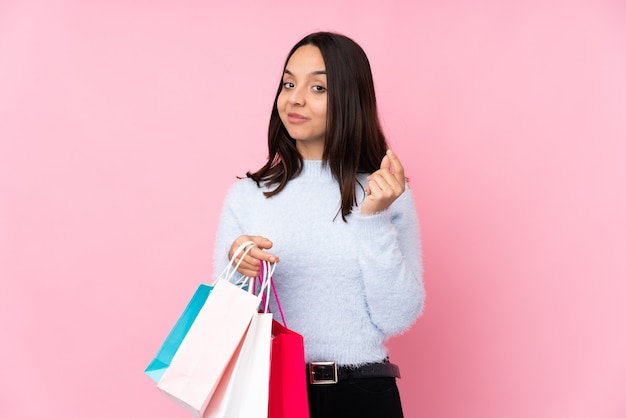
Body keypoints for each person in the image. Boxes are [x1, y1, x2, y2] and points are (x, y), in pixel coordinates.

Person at [213, 31, 424, 418]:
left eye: (317, 88)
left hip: (363, 395)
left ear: (349, 98)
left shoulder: (385, 190)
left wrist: (374, 219)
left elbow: (398, 316)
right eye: (289, 83)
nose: (294, 98)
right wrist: (240, 271)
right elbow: (227, 322)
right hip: (270, 392)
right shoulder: (248, 196)